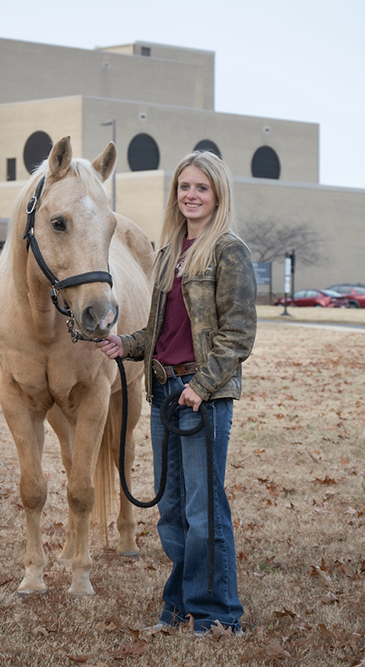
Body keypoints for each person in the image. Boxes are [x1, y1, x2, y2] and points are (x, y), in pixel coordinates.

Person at [96, 150, 257, 636]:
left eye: (201, 187)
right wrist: (124, 343)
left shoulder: (228, 250)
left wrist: (202, 387)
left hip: (200, 395)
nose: (190, 195)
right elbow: (160, 332)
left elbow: (238, 334)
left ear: (217, 194)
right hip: (165, 390)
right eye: (184, 186)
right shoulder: (169, 252)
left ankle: (218, 615)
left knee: (203, 509)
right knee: (171, 513)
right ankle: (181, 607)